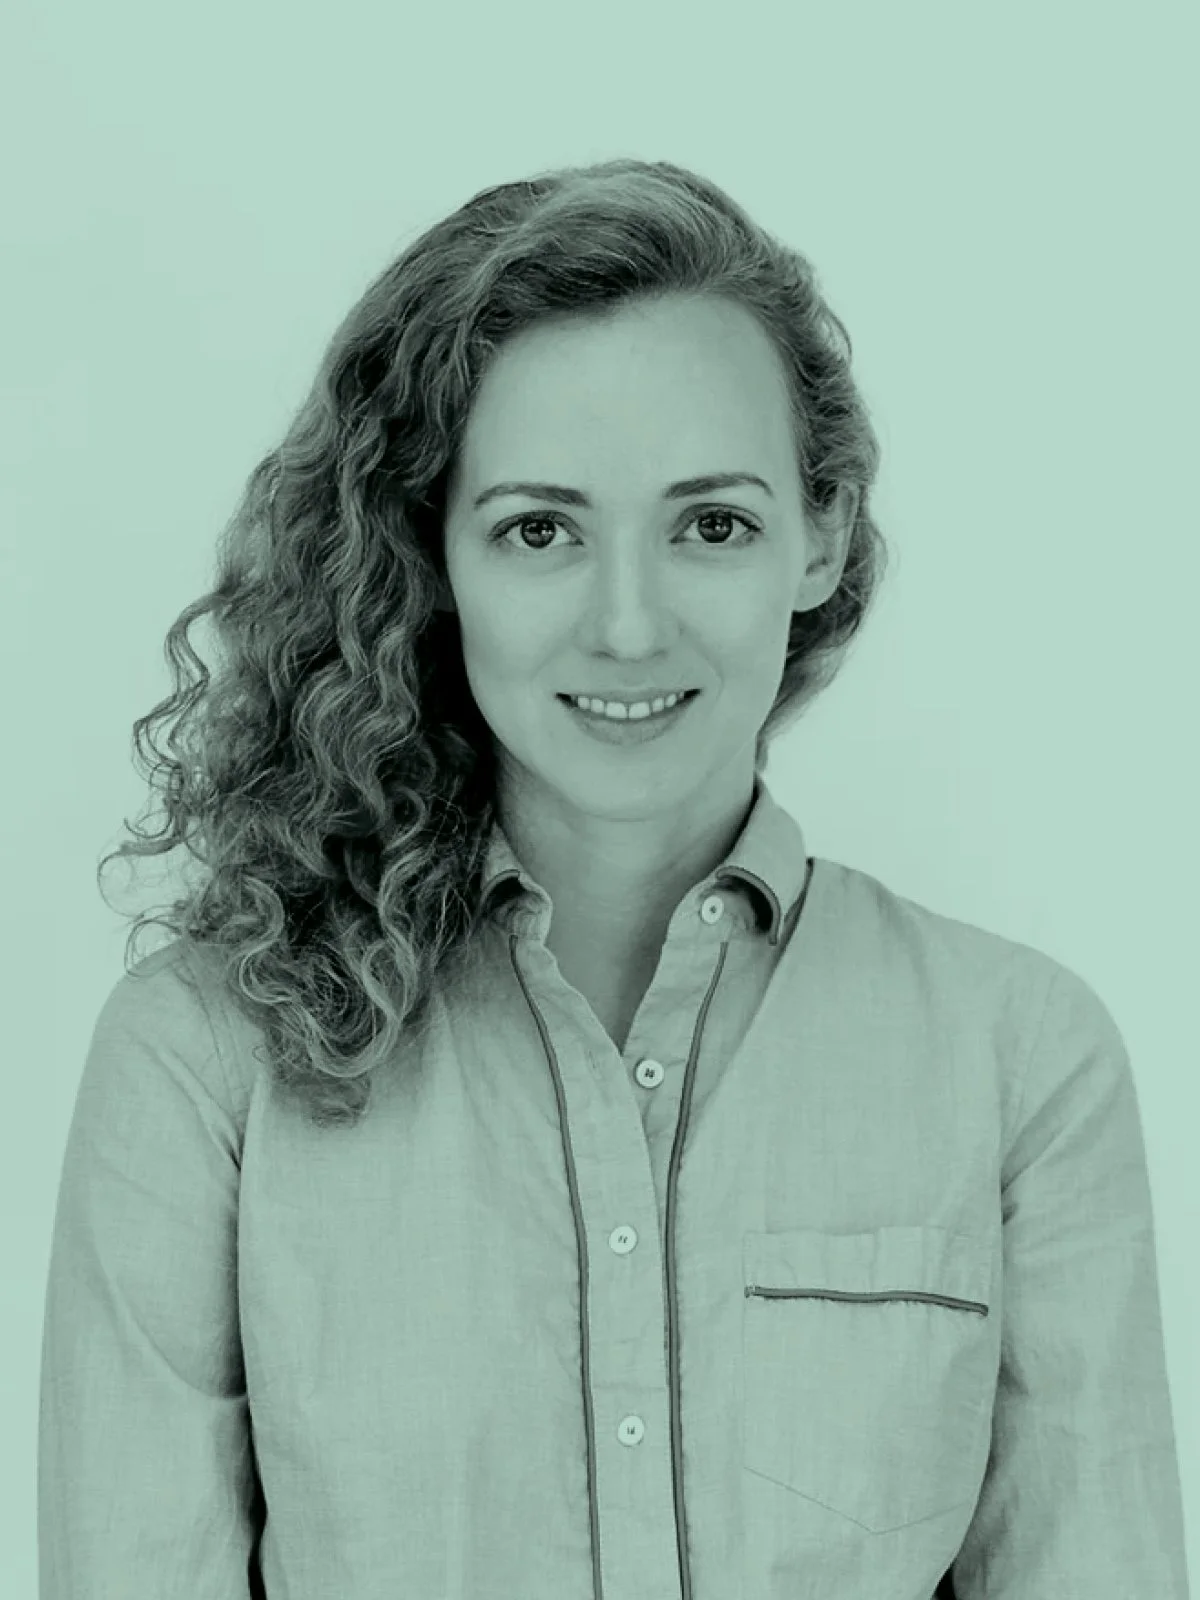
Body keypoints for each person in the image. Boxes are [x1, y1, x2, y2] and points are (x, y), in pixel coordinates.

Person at [38, 159, 1189, 1600]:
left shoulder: (1023, 1063)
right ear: (431, 550)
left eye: (711, 523)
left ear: (820, 532)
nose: (630, 624)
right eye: (541, 530)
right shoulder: (203, 1064)